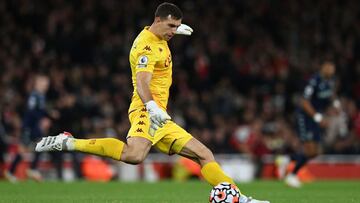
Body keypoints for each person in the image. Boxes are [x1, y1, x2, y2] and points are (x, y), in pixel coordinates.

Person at [35, 3, 269, 203]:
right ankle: (69, 142)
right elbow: (142, 81)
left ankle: (238, 198)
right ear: (158, 20)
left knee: (204, 154)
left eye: (176, 27)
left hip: (160, 115)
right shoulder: (146, 46)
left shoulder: (159, 34)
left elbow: (162, 35)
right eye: (170, 26)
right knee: (134, 156)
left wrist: (175, 30)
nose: (173, 31)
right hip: (147, 110)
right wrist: (152, 108)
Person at [284, 60, 339, 188]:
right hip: (305, 117)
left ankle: (289, 159)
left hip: (315, 118)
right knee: (309, 148)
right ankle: (292, 175)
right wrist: (317, 117)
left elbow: (330, 94)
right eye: (330, 67)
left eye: (333, 68)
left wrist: (335, 104)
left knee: (315, 152)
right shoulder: (314, 81)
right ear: (323, 67)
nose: (332, 70)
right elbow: (304, 102)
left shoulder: (330, 81)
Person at [5, 74, 52, 182]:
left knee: (40, 145)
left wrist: (48, 115)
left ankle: (29, 169)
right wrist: (42, 119)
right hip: (29, 126)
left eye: (47, 84)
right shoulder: (34, 96)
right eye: (44, 83)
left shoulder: (41, 96)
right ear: (37, 84)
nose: (46, 86)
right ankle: (18, 171)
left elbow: (41, 111)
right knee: (25, 149)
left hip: (35, 127)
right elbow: (31, 111)